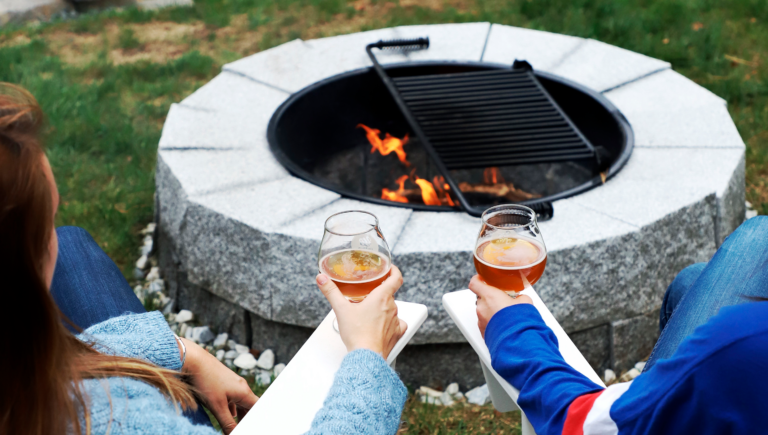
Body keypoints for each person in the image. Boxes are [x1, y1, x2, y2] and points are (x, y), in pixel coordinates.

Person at [0, 82, 408, 435]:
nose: (49, 237)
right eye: (45, 226)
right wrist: (367, 357)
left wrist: (181, 351)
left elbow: (56, 358)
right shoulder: (119, 418)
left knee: (70, 245)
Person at [469, 217, 768, 435]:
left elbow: (582, 423)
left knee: (758, 234)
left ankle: (659, 393)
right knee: (691, 283)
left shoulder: (744, 341)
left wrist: (513, 328)